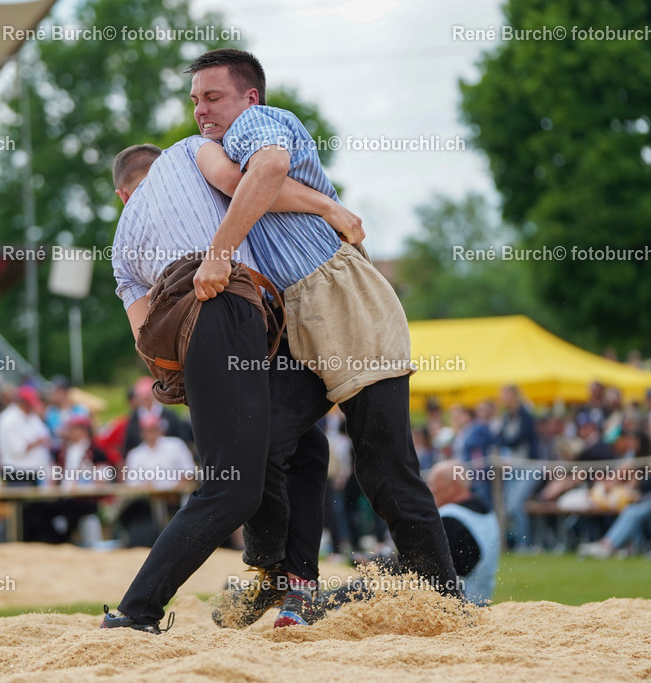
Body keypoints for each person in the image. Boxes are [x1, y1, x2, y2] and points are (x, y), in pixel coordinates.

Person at [184, 48, 461, 620]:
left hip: (346, 302)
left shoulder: (261, 123)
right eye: (195, 100)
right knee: (260, 441)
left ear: (248, 97)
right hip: (299, 316)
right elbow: (249, 182)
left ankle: (445, 603)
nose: (202, 109)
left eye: (213, 97)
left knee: (385, 472)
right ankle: (283, 579)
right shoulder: (223, 146)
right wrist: (329, 206)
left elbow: (265, 173)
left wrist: (219, 253)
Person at [102, 133, 344, 633]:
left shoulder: (122, 243)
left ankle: (294, 585)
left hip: (200, 338)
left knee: (304, 446)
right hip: (236, 306)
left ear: (122, 194)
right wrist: (328, 208)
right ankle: (136, 612)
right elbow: (242, 183)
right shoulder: (189, 153)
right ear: (159, 165)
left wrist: (200, 378)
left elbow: (148, 343)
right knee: (231, 489)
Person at [426, 461, 500, 606]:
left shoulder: (448, 519)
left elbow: (429, 569)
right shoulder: (487, 512)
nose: (430, 490)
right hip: (482, 599)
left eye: (433, 484)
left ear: (452, 487)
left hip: (457, 606)